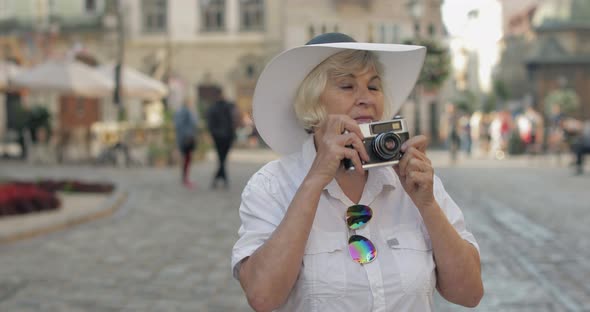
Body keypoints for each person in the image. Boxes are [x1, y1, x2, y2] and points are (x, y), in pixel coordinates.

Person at [231, 33, 483, 311]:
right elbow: (263, 296)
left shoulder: (410, 179)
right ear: (313, 103)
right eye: (347, 85)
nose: (365, 98)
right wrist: (315, 181)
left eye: (374, 87)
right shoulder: (272, 185)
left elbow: (469, 293)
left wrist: (427, 204)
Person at [206, 93, 238, 189]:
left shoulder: (212, 108)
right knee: (222, 159)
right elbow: (233, 122)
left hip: (218, 137)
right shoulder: (229, 108)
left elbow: (210, 123)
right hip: (227, 137)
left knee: (221, 159)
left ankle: (217, 179)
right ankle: (223, 179)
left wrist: (213, 134)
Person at [174, 101, 198, 188]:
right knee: (187, 159)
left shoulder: (178, 112)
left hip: (181, 138)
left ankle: (184, 177)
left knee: (184, 158)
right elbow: (194, 123)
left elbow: (177, 125)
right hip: (188, 138)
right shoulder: (188, 112)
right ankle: (186, 178)